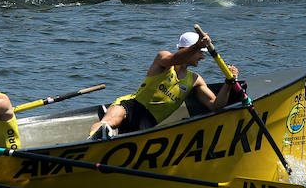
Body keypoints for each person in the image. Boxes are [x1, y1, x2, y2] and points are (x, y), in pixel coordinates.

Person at [90, 30, 234, 138]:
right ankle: (93, 138)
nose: (202, 56)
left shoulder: (196, 80)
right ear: (188, 49)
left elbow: (216, 106)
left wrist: (228, 82)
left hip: (148, 122)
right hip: (132, 105)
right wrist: (197, 45)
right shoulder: (163, 59)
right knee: (111, 121)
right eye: (200, 52)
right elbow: (174, 59)